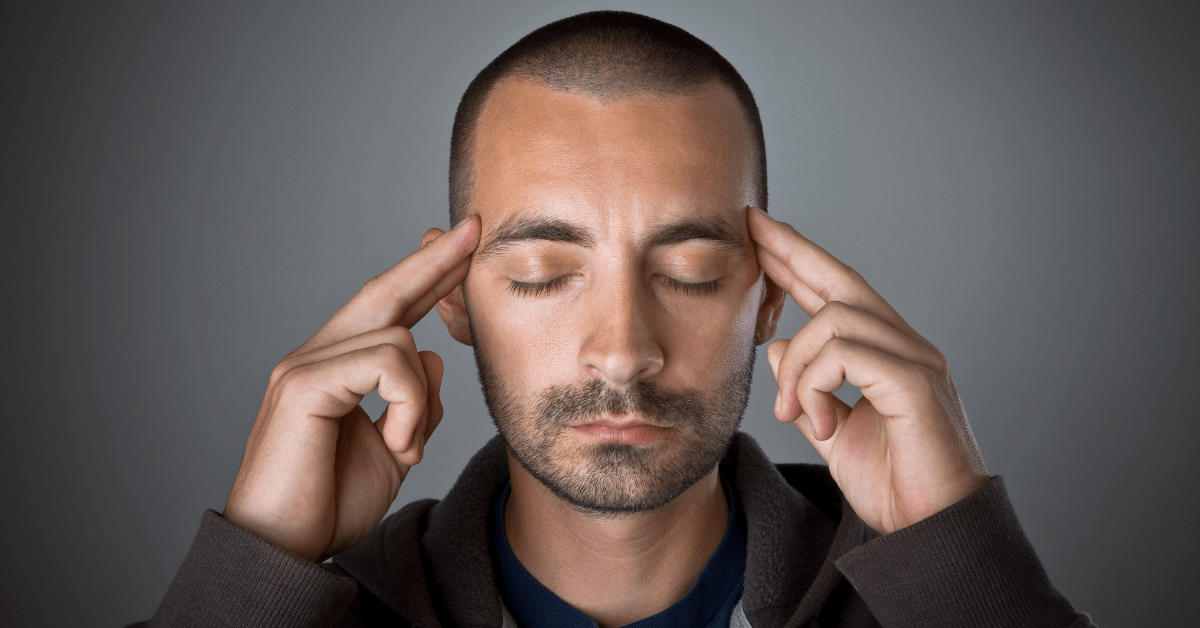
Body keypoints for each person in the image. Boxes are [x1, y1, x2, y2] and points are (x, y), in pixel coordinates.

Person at [134, 11, 1093, 628]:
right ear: (452, 298)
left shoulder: (933, 603)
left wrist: (961, 562)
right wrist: (256, 563)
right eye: (547, 274)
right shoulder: (308, 615)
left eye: (689, 271)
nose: (623, 349)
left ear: (766, 299)